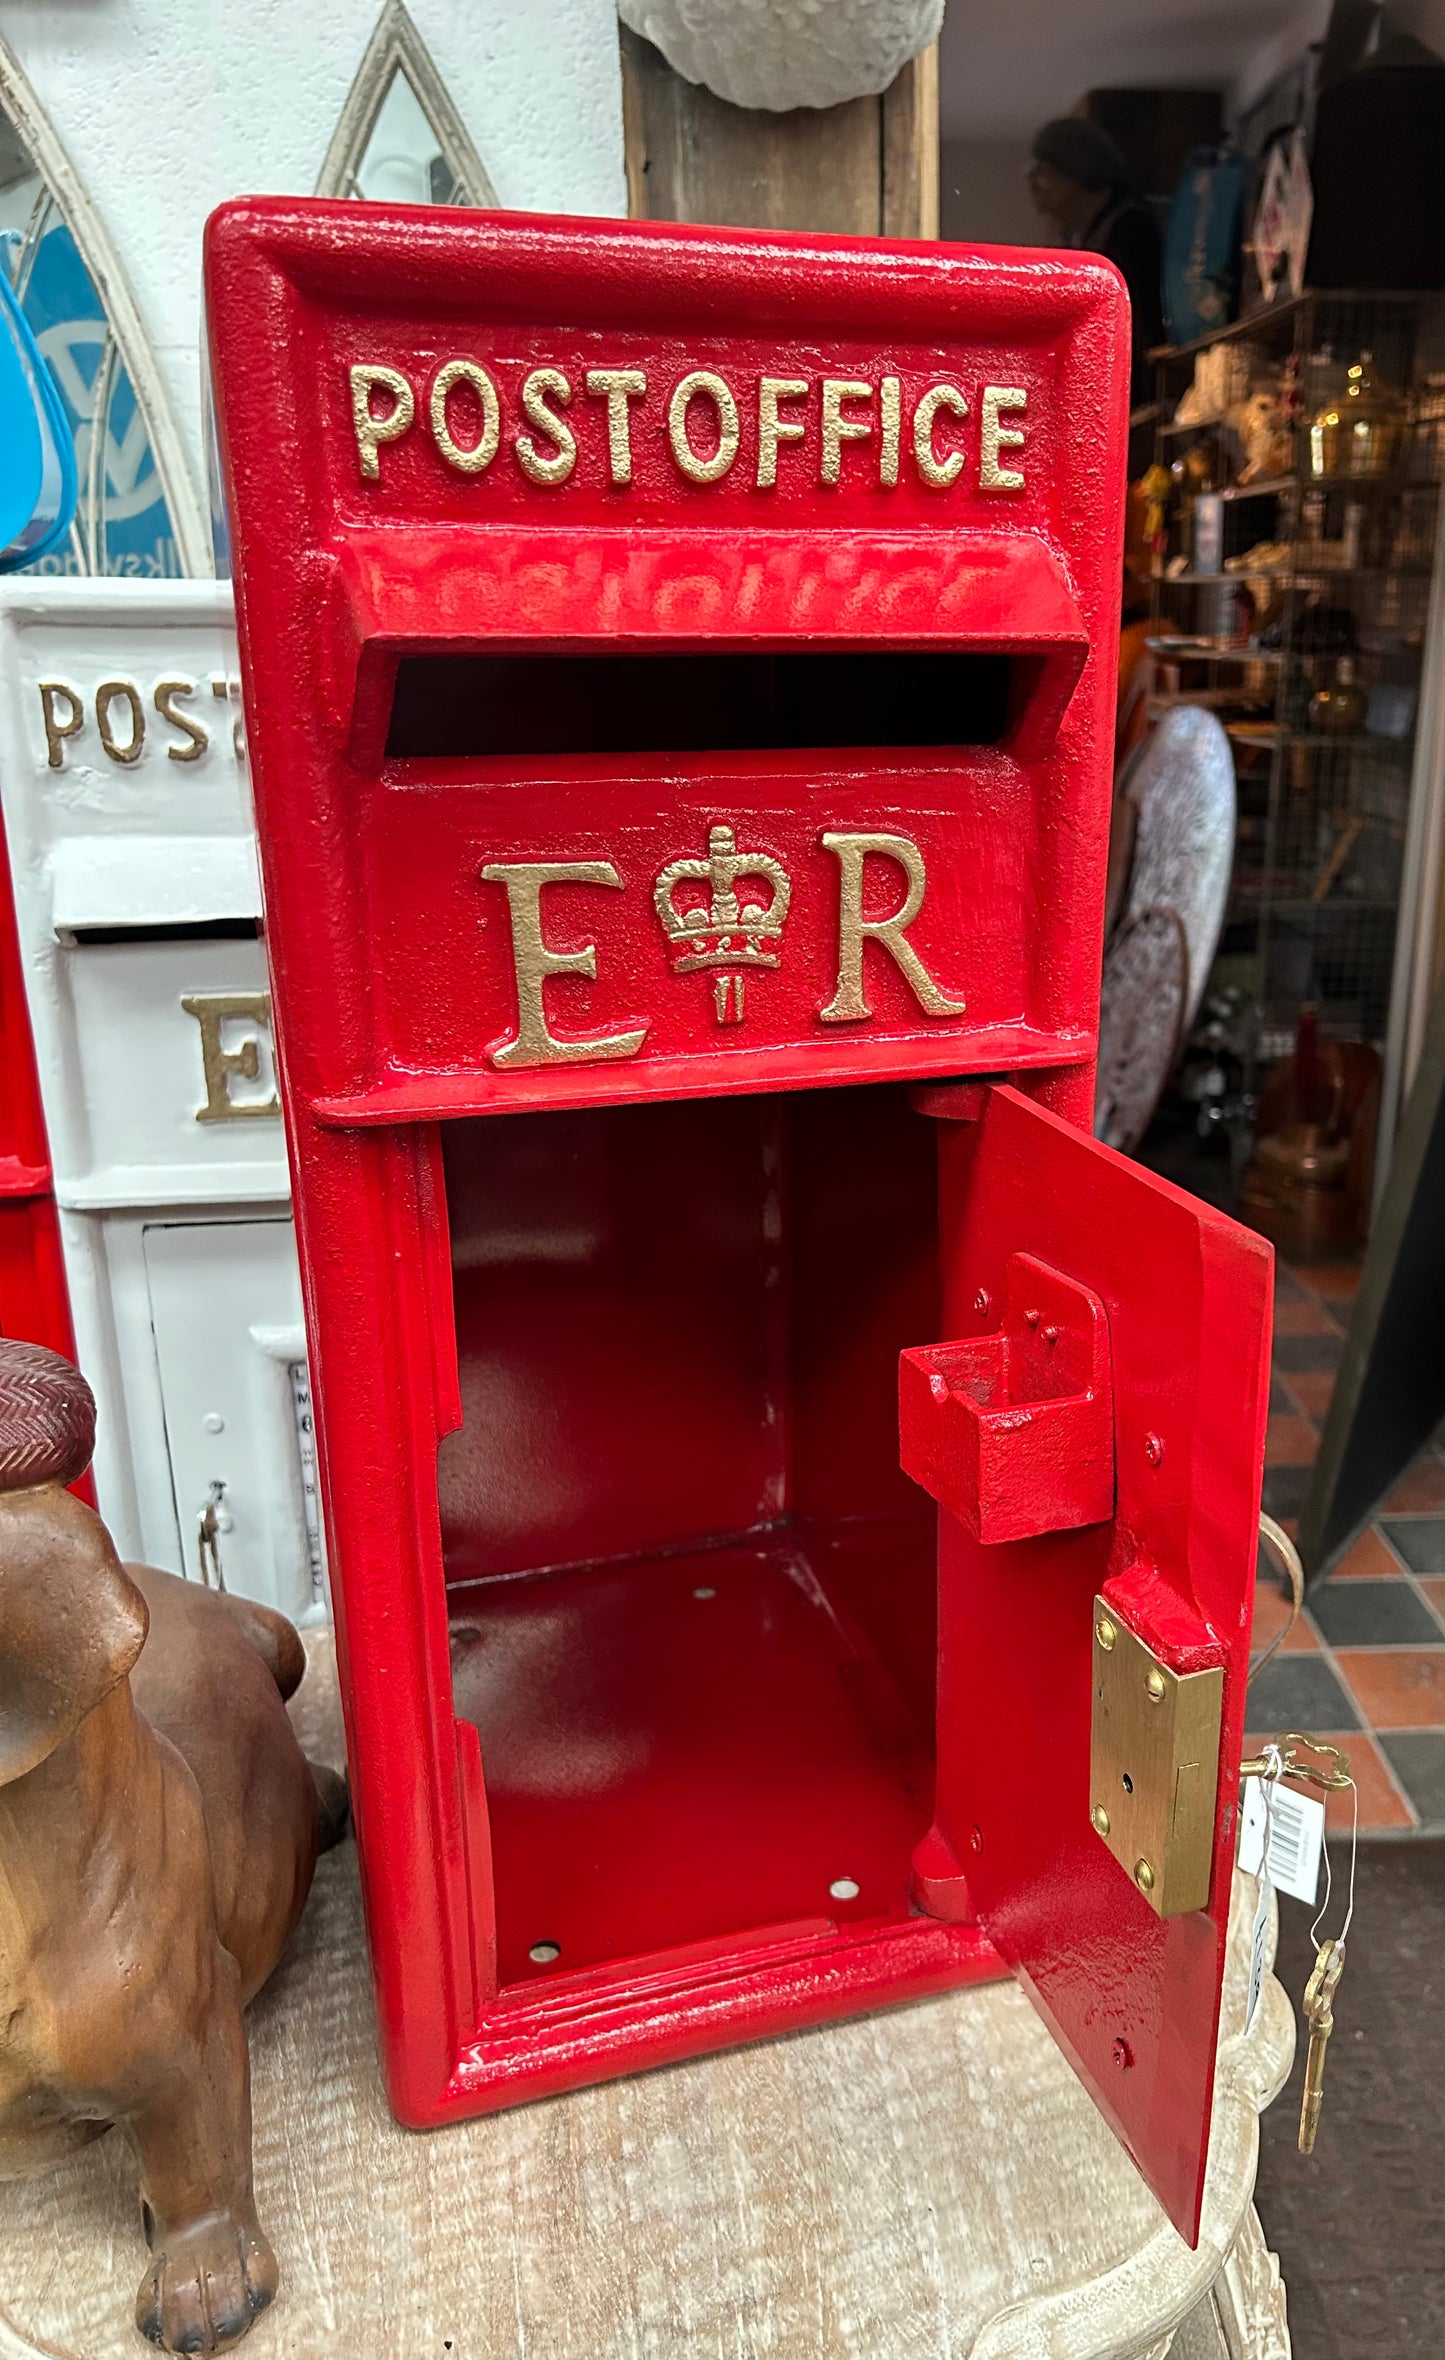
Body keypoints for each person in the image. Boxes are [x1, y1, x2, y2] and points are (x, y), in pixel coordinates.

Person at [1027, 118, 1165, 406]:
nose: (1033, 181)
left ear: (1076, 167)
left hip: (1131, 395)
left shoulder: (1130, 229)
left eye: (1045, 169)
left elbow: (1136, 327)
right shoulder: (1083, 235)